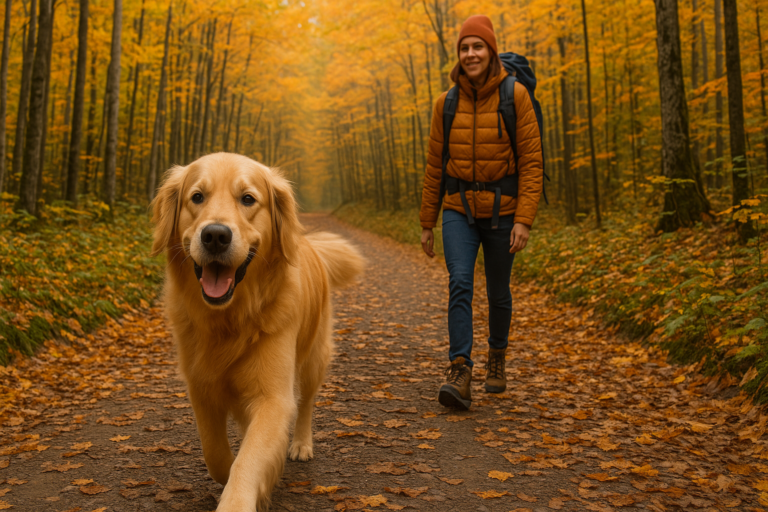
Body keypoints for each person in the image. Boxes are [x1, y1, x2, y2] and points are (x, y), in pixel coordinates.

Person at [419, 14, 543, 410]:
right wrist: (427, 222)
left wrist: (523, 218)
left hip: (504, 211)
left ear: (490, 51)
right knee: (460, 282)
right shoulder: (446, 103)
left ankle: (497, 355)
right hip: (458, 208)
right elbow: (435, 165)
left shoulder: (515, 95)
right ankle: (460, 369)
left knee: (498, 292)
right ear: (458, 54)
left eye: (478, 46)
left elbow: (532, 161)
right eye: (464, 48)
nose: (470, 54)